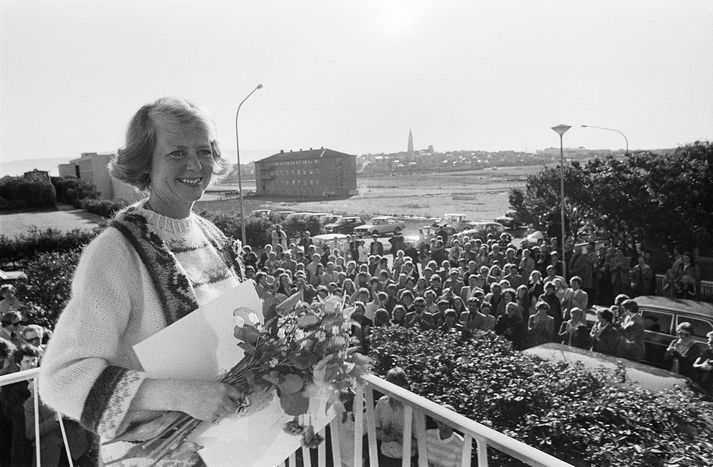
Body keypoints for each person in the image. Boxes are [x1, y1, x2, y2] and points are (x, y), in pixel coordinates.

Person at [38, 98, 247, 465]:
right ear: (145, 163)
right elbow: (60, 379)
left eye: (204, 151)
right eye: (177, 152)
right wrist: (180, 395)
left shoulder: (211, 236)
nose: (195, 165)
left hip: (228, 449)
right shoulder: (114, 252)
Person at [374, 367, 418, 466]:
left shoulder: (414, 408)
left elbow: (420, 442)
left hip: (407, 461)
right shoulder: (382, 403)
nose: (393, 391)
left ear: (405, 386)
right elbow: (374, 430)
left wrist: (401, 440)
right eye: (389, 386)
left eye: (397, 387)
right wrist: (383, 436)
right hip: (385, 458)